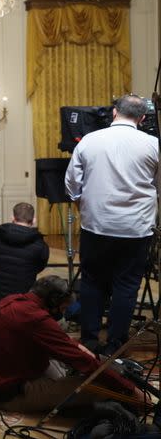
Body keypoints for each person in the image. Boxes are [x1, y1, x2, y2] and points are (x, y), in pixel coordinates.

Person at [65, 94, 158, 356]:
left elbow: (72, 183)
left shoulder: (89, 141)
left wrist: (81, 204)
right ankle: (115, 346)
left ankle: (89, 340)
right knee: (126, 287)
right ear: (141, 118)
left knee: (92, 282)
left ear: (114, 112)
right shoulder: (153, 144)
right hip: (136, 229)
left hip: (96, 225)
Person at [0, 275, 140, 413]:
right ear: (53, 300)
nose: (63, 313)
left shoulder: (12, 301)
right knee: (99, 386)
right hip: (8, 395)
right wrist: (128, 388)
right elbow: (84, 362)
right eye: (63, 308)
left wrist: (79, 349)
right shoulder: (36, 318)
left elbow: (61, 342)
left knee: (64, 359)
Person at [0, 202, 50, 310]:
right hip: (22, 304)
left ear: (12, 218)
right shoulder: (41, 246)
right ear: (34, 220)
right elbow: (39, 268)